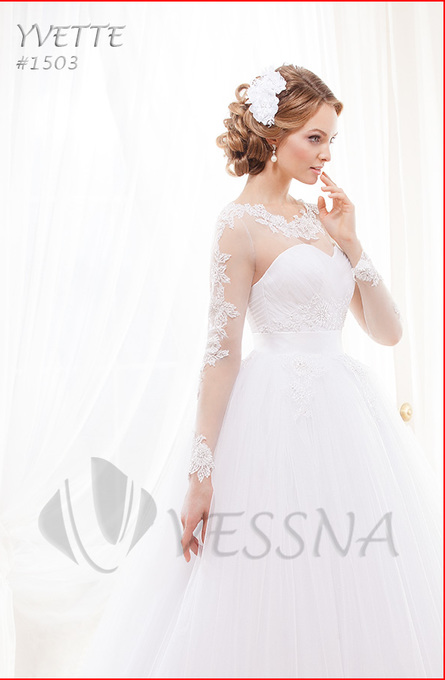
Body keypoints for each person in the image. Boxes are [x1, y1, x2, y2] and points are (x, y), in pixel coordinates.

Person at [77, 64, 442, 679]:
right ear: (274, 136)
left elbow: (388, 332)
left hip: (348, 418)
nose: (326, 155)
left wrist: (352, 242)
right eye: (315, 138)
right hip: (273, 418)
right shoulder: (237, 224)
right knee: (273, 578)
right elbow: (221, 353)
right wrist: (201, 474)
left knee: (357, 575)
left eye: (331, 140)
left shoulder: (323, 218)